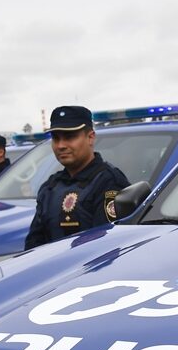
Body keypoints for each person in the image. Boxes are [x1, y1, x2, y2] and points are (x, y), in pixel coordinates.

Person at [25, 106, 130, 250]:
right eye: (56, 138)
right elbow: (33, 245)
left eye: (69, 137)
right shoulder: (50, 187)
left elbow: (106, 245)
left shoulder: (108, 182)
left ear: (90, 137)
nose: (61, 145)